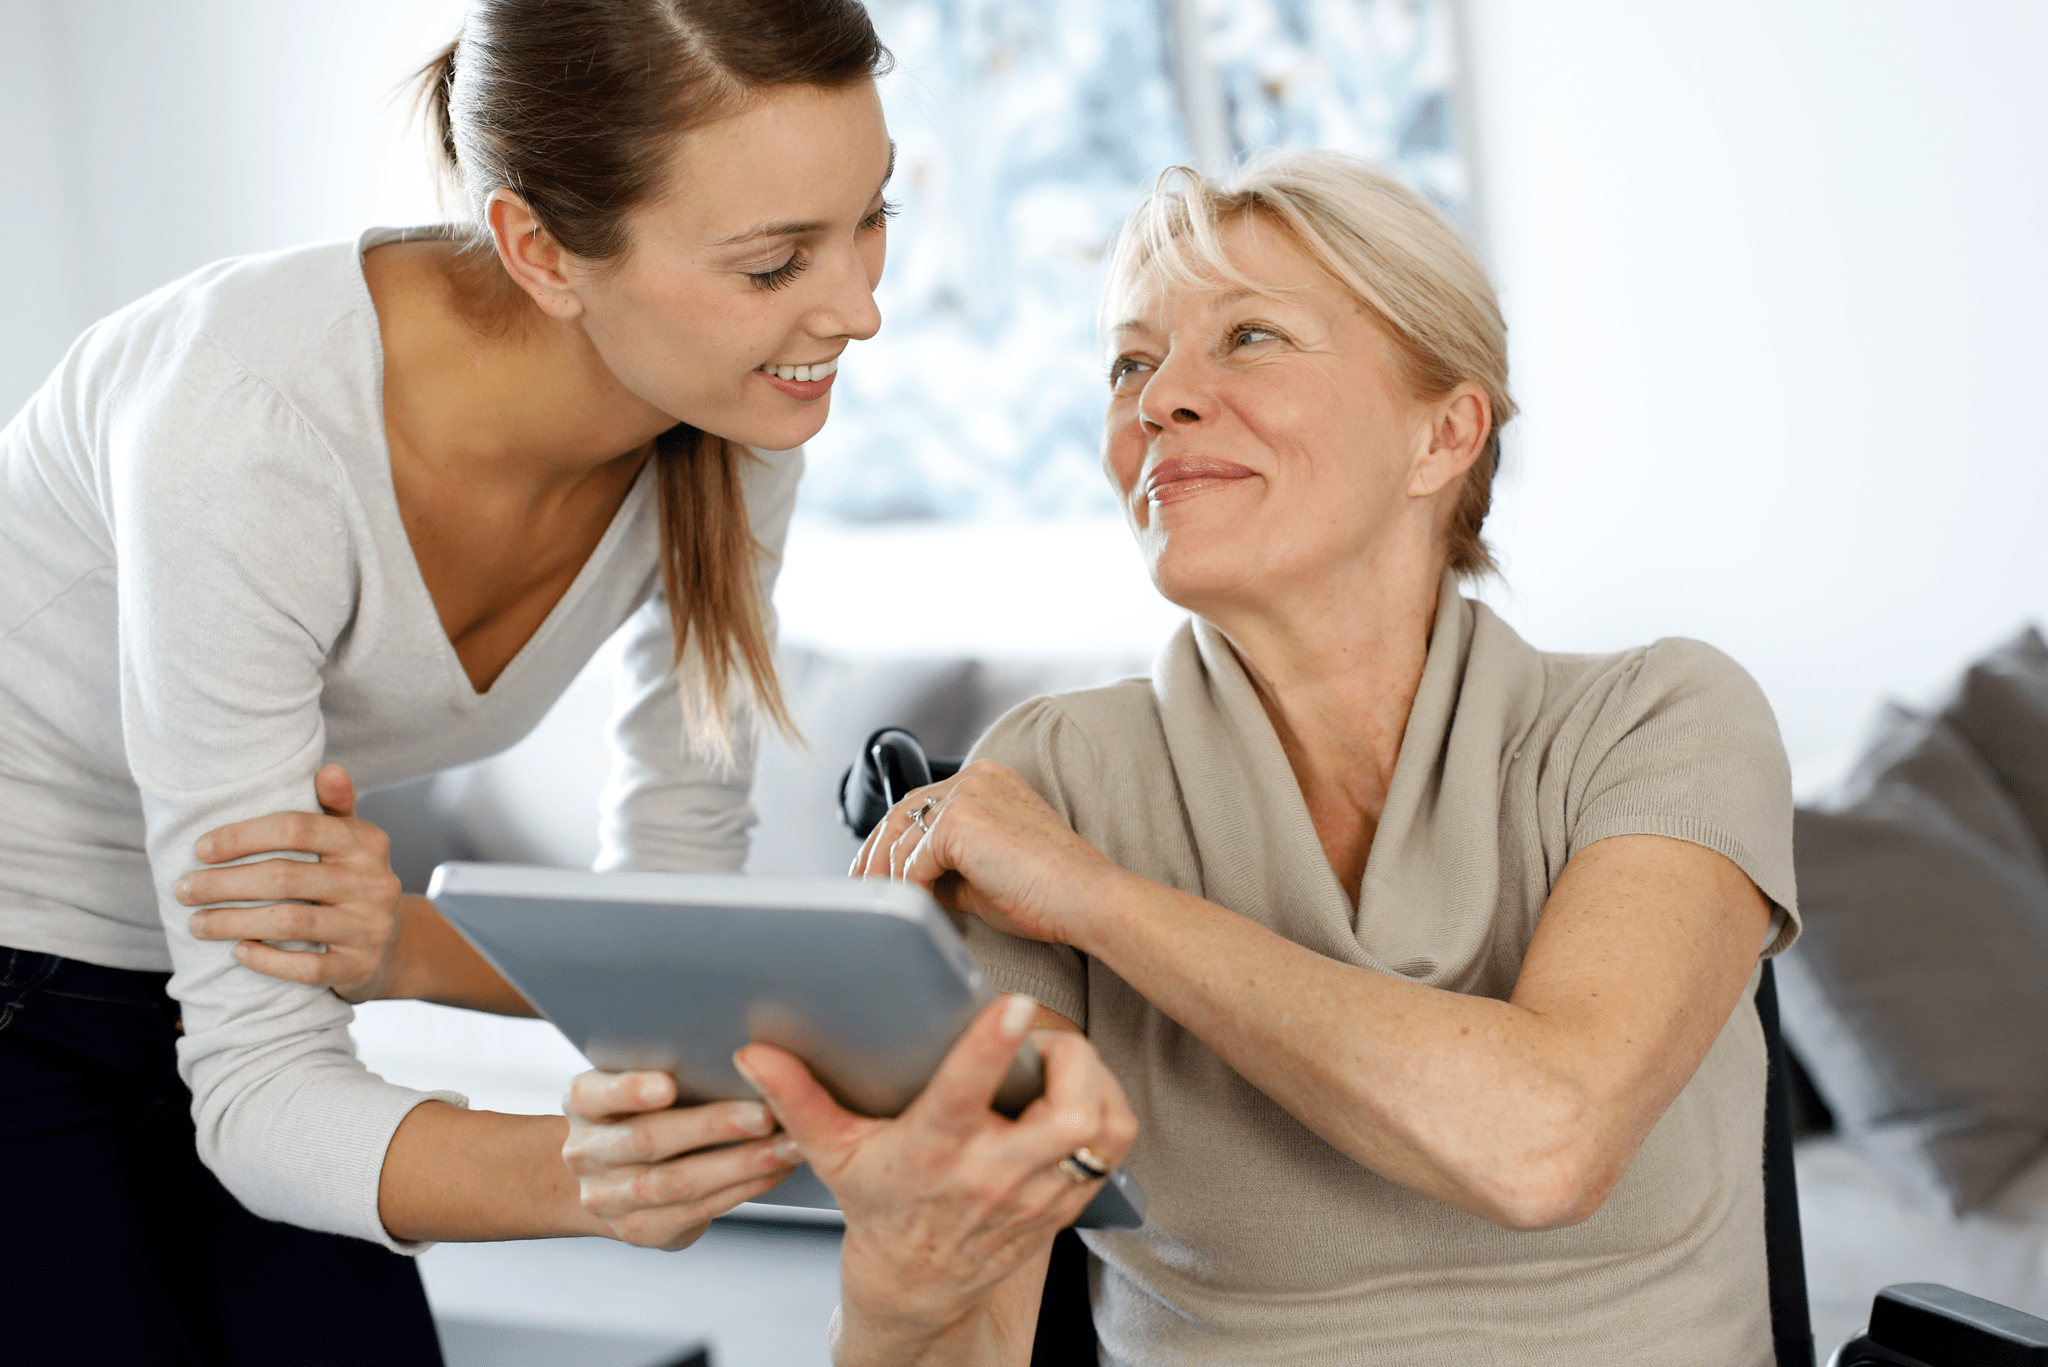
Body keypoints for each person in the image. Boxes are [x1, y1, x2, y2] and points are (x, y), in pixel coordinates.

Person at [0, 3, 1084, 1361]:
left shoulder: (735, 415)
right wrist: (611, 1176)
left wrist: (405, 944)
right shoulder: (252, 427)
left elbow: (673, 916)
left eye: (873, 217)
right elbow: (262, 1090)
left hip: (231, 972)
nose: (858, 307)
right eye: (771, 263)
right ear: (539, 251)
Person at [648, 152, 1795, 1364]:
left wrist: (1097, 901)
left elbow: (1543, 1142)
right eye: (1131, 362)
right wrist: (894, 1276)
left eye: (1248, 338)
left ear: (1442, 433)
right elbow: (968, 1321)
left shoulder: (1662, 716)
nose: (1158, 402)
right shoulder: (1048, 779)